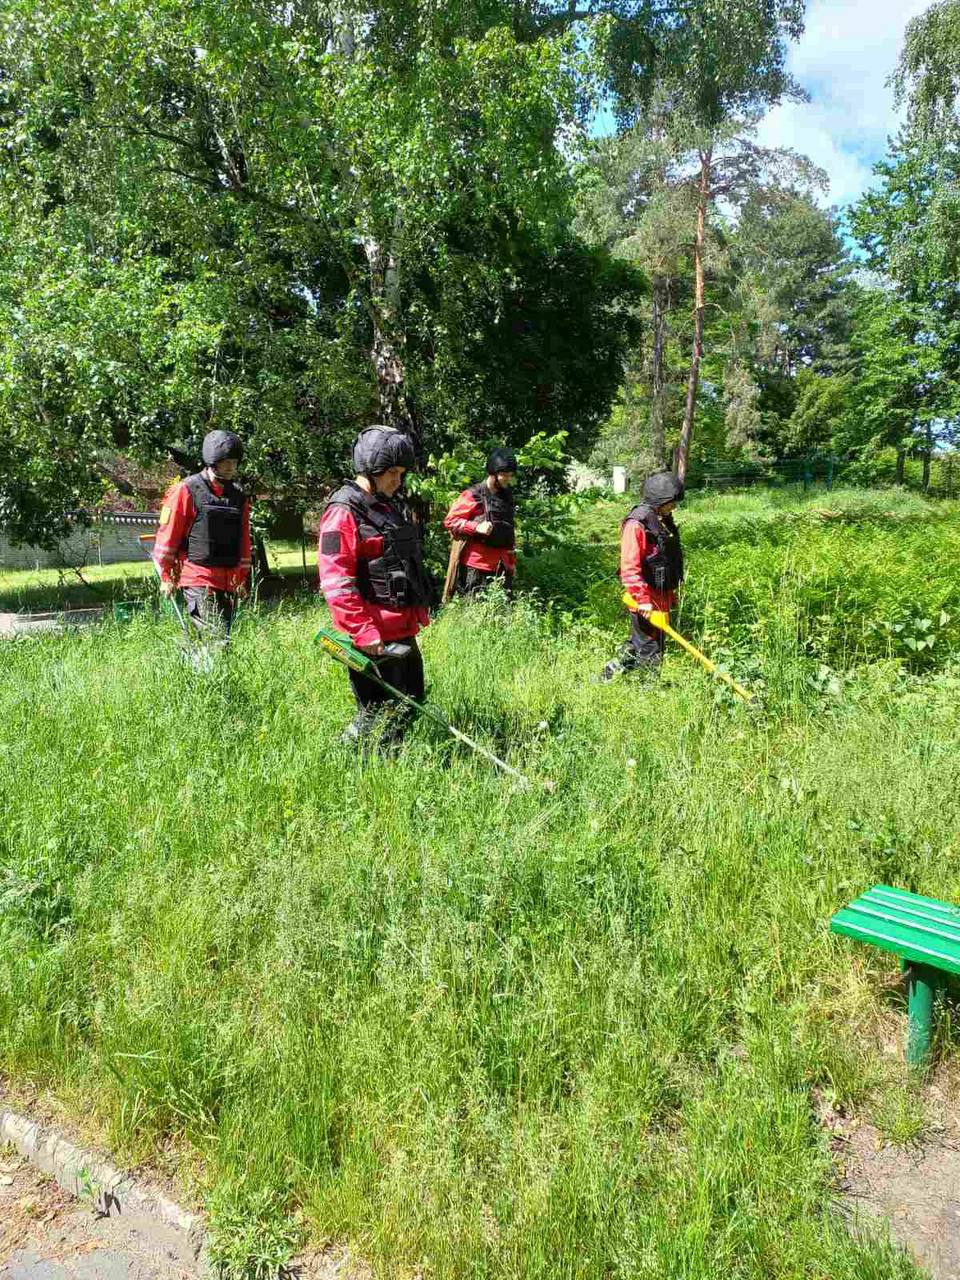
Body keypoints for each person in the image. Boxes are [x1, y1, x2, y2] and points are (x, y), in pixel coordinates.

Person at [318, 425, 435, 749]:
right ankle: (354, 763)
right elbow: (335, 581)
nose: (398, 480)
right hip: (372, 636)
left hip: (400, 630)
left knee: (411, 701)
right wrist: (363, 632)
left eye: (401, 472)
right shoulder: (342, 512)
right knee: (378, 711)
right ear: (371, 467)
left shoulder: (385, 507)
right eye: (392, 472)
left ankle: (380, 763)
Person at [152, 430, 251, 643]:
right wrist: (166, 576)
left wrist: (241, 579)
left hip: (227, 582)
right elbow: (167, 534)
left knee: (217, 637)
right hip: (198, 578)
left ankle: (197, 671)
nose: (231, 467)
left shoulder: (239, 496)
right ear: (212, 461)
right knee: (218, 641)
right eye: (226, 462)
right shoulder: (186, 490)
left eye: (234, 462)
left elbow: (243, 540)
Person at [602, 470, 685, 681]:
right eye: (671, 502)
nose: (673, 506)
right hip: (644, 599)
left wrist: (670, 594)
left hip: (660, 596)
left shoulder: (663, 521)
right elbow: (630, 568)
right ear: (660, 498)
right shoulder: (636, 524)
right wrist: (644, 601)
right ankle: (649, 690)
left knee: (637, 644)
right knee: (651, 648)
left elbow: (666, 560)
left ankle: (607, 675)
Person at [442, 447, 518, 599]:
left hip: (502, 566)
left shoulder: (507, 496)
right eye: (504, 475)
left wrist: (512, 562)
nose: (507, 479)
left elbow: (509, 530)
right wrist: (476, 527)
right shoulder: (473, 495)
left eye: (509, 475)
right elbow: (450, 521)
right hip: (476, 568)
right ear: (493, 474)